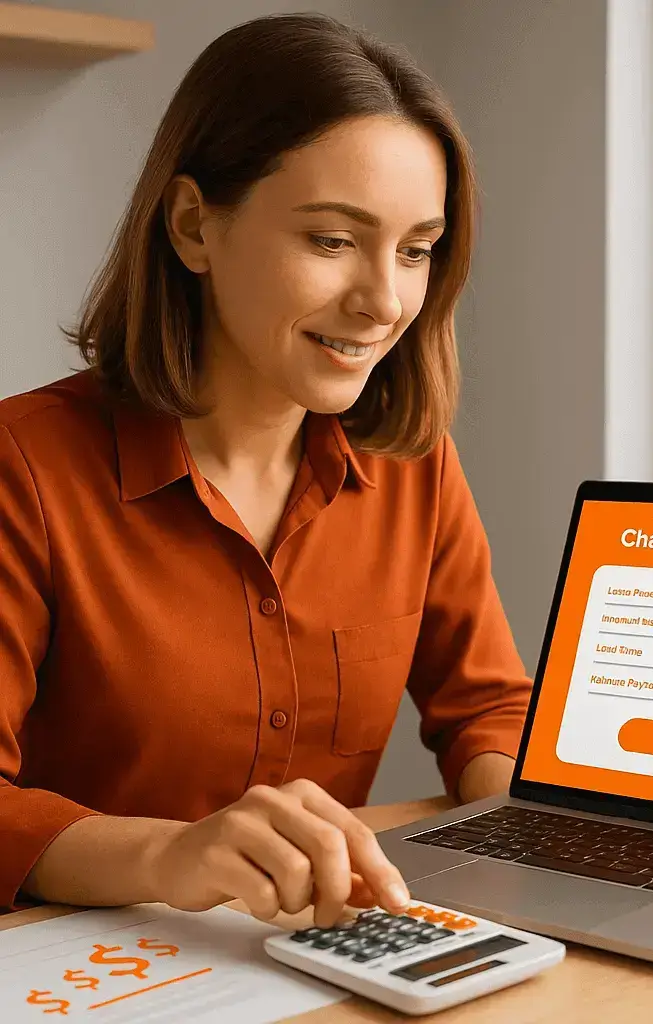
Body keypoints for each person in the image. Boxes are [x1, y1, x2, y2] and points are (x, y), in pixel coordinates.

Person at [0, 14, 533, 930]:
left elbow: (488, 709)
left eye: (416, 249)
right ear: (194, 226)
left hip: (326, 960)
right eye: (331, 241)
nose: (385, 302)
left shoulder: (414, 466)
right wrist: (170, 854)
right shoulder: (26, 466)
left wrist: (560, 831)